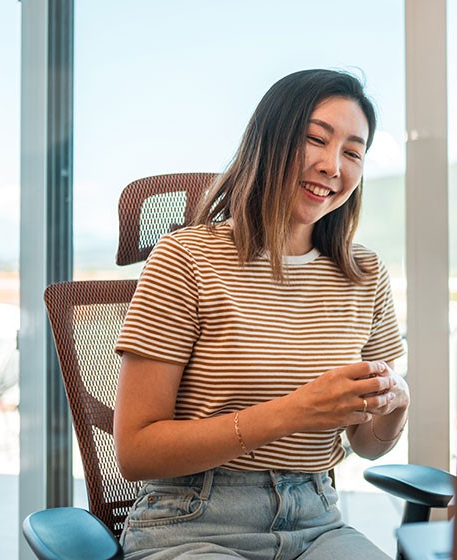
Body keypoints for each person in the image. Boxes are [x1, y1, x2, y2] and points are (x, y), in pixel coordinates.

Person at [113, 69, 409, 560]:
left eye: (353, 152)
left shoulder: (365, 273)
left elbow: (368, 443)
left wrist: (396, 406)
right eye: (315, 139)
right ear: (268, 141)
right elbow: (136, 452)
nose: (332, 165)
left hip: (317, 518)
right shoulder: (185, 259)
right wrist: (296, 411)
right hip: (194, 520)